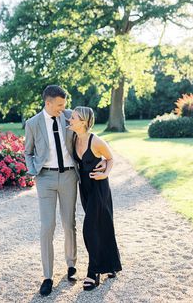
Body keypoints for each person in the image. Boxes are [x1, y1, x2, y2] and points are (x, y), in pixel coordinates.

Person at [24, 85, 105, 296]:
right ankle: (48, 276)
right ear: (48, 103)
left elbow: (88, 135)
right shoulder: (32, 123)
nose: (64, 109)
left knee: (69, 224)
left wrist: (105, 161)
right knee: (47, 227)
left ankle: (71, 265)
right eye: (60, 105)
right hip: (45, 179)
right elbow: (28, 152)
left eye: (65, 105)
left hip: (69, 176)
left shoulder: (69, 116)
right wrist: (34, 170)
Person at [69, 106, 122, 291]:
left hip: (99, 188)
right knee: (103, 226)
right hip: (85, 189)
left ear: (83, 122)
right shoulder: (74, 138)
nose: (70, 120)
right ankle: (111, 265)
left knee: (90, 228)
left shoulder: (96, 141)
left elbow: (110, 158)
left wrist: (104, 173)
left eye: (73, 117)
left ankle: (94, 272)